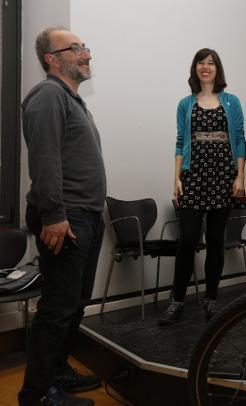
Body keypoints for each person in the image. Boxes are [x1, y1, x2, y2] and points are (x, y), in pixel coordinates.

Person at [19, 27, 106, 406]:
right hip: (65, 219)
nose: (86, 54)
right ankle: (37, 394)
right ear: (52, 59)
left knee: (74, 302)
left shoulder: (72, 99)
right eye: (76, 48)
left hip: (83, 217)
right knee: (57, 308)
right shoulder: (48, 96)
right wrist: (54, 215)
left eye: (85, 47)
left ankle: (56, 372)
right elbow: (44, 160)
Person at [159, 48, 246, 326]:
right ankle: (177, 301)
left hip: (223, 175)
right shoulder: (185, 104)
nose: (205, 67)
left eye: (211, 63)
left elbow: (240, 140)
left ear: (218, 69)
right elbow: (180, 141)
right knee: (187, 241)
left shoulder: (231, 102)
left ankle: (210, 299)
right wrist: (176, 178)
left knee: (216, 241)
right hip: (193, 177)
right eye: (201, 62)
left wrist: (240, 177)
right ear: (195, 69)